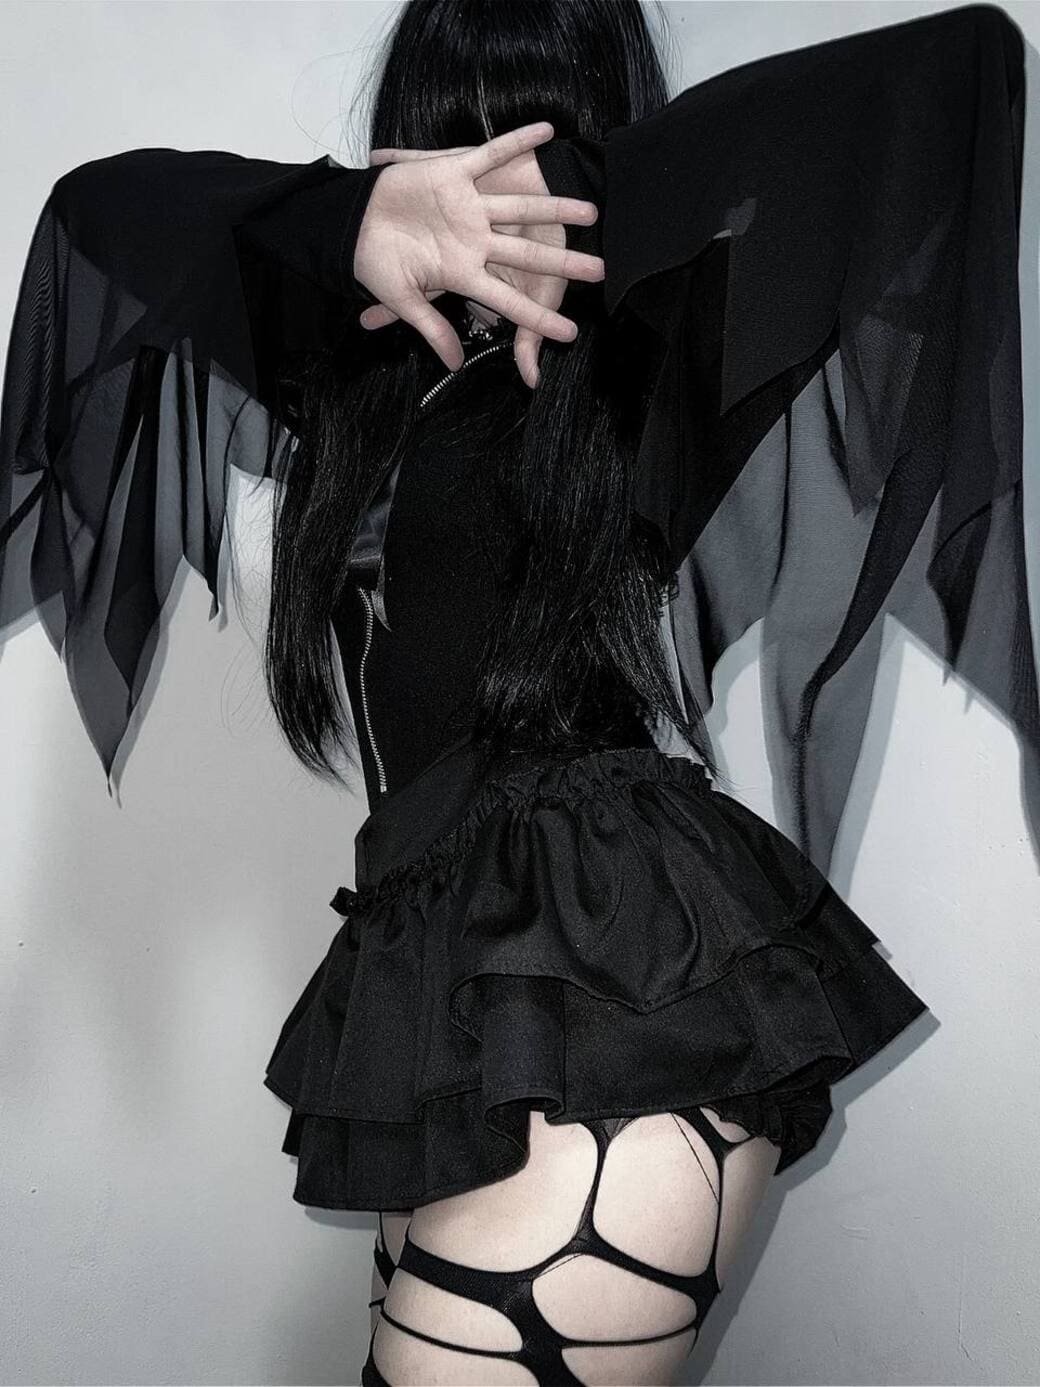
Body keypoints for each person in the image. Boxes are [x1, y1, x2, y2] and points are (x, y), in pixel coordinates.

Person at [0, 2, 1031, 1384]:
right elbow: (94, 221)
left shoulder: (657, 341)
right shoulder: (366, 370)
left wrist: (581, 203)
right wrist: (348, 220)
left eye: (528, 136)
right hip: (472, 1004)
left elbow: (961, 63)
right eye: (459, 141)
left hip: (611, 981)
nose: (485, 184)